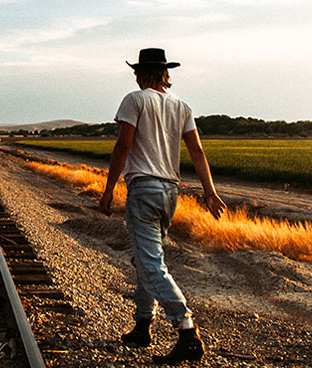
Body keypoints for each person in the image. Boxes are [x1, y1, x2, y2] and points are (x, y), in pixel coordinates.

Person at [99, 48, 226, 365]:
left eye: (136, 72)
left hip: (143, 188)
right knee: (145, 260)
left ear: (140, 74)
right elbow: (197, 151)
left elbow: (124, 144)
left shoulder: (135, 100)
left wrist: (108, 188)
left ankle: (187, 332)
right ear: (165, 74)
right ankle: (143, 326)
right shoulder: (181, 106)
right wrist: (209, 192)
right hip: (170, 192)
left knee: (151, 264)